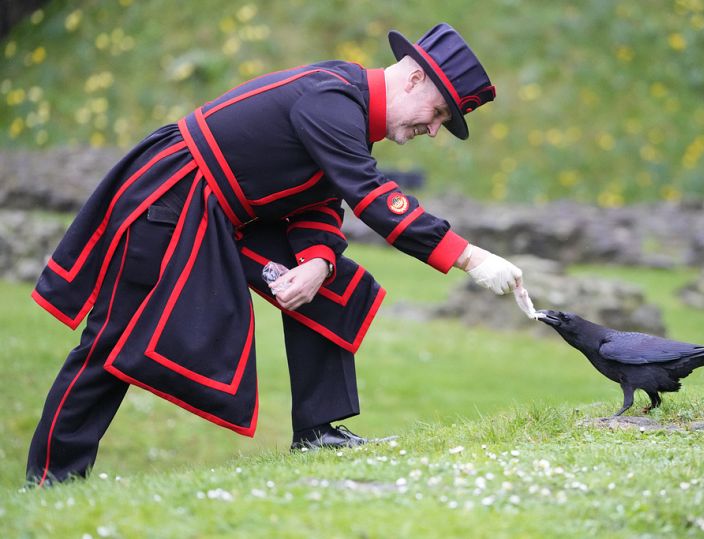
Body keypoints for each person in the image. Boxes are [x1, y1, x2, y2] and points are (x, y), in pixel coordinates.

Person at [26, 22, 523, 486]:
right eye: (439, 113)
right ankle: (52, 479)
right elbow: (371, 197)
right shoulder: (333, 99)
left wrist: (318, 261)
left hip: (221, 213)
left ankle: (317, 435)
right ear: (414, 78)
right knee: (110, 342)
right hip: (169, 199)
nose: (434, 130)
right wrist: (471, 258)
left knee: (333, 287)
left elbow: (322, 197)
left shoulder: (347, 105)